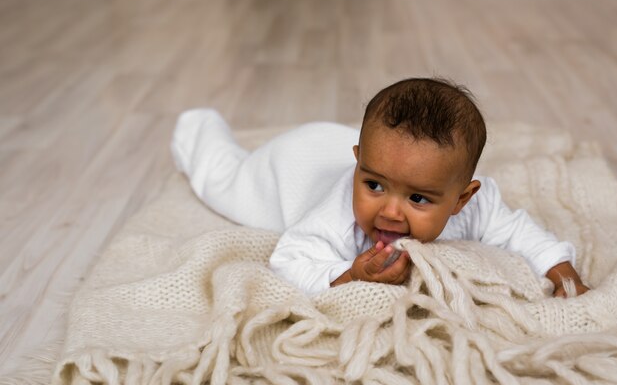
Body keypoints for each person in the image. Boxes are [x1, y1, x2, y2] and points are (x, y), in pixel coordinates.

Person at [171, 78, 589, 298]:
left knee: (395, 161)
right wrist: (351, 276)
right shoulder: (334, 214)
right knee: (223, 182)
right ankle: (198, 124)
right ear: (359, 164)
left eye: (418, 198)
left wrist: (560, 271)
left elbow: (520, 232)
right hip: (288, 168)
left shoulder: (480, 207)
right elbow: (290, 261)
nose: (389, 212)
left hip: (350, 150)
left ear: (463, 199)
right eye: (373, 185)